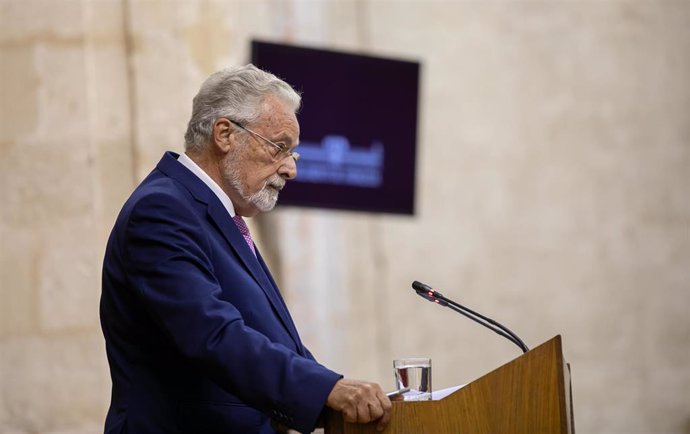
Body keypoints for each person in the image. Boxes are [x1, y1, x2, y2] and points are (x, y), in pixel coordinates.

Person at [100, 65, 392, 434]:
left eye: (293, 153)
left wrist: (328, 397)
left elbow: (275, 340)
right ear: (225, 133)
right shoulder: (162, 211)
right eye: (279, 147)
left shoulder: (220, 217)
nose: (291, 170)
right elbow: (212, 334)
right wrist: (325, 389)